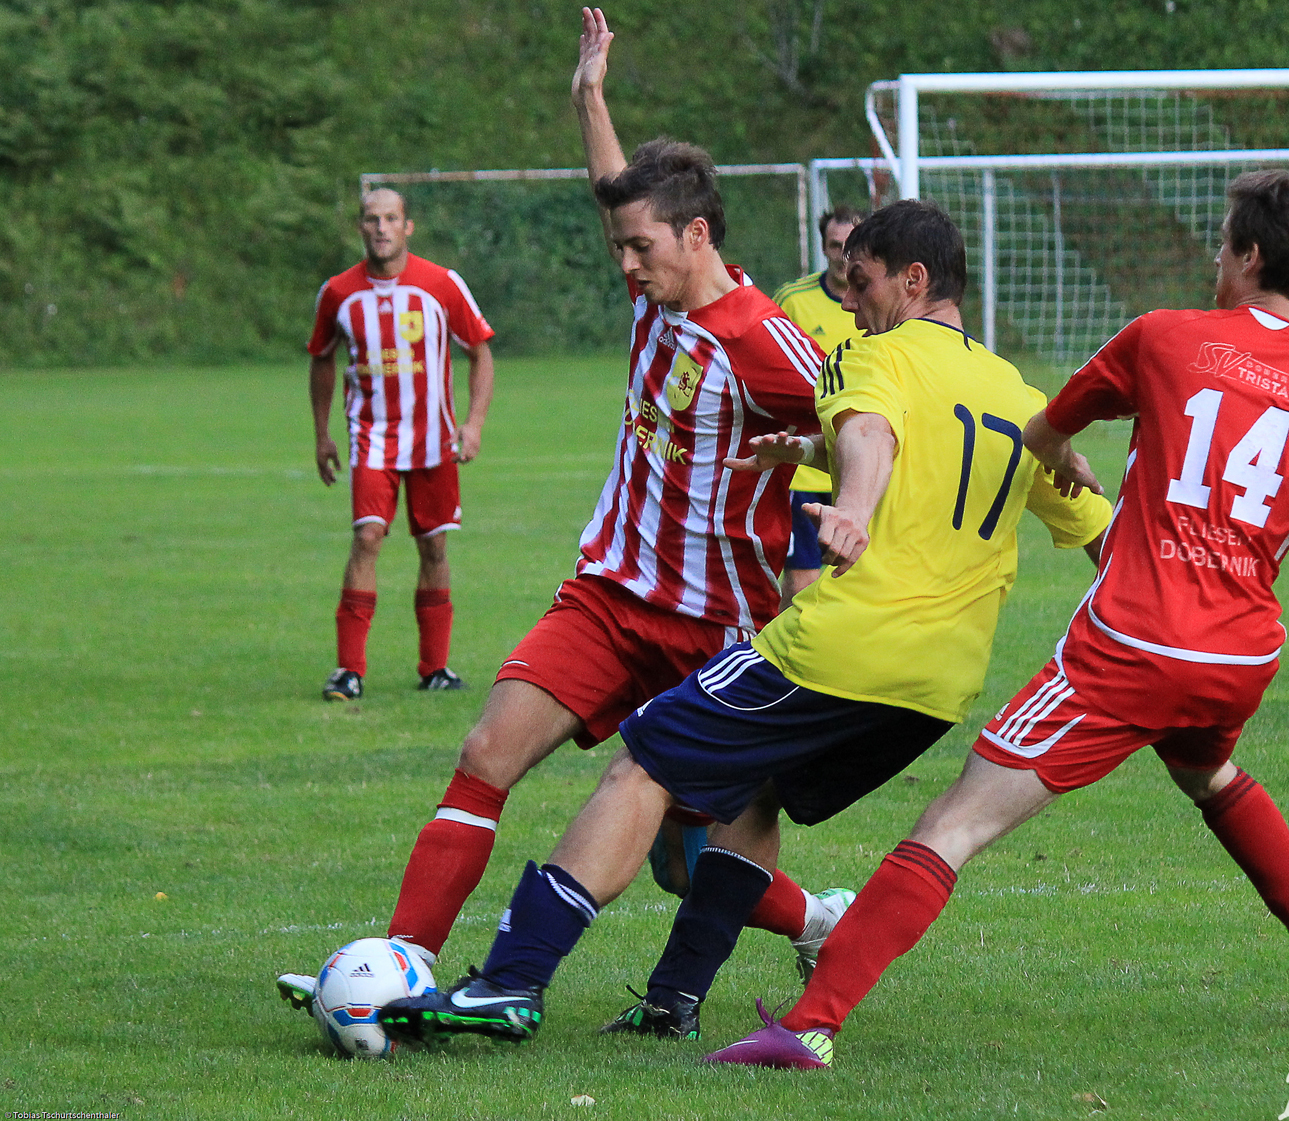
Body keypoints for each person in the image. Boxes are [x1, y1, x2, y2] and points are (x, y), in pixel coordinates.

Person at [705, 169, 1289, 1071]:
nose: (1214, 257)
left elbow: (1040, 433)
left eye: (1221, 243)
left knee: (952, 824)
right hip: (1241, 655)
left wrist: (1065, 453)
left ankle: (811, 1023)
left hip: (1133, 644)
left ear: (1247, 255)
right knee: (1207, 770)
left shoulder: (1163, 336)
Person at [373, 198, 1112, 1049]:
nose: (851, 302)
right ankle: (672, 1000)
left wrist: (854, 505)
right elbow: (1098, 526)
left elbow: (874, 433)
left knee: (643, 765)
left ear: (914, 280)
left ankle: (511, 980)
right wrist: (806, 453)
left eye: (863, 282)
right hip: (939, 688)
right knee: (754, 796)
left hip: (839, 649)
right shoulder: (1020, 396)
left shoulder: (873, 356)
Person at [276, 5, 844, 1016]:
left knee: (686, 861)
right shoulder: (654, 291)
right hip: (607, 593)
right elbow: (619, 193)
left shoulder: (766, 344)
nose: (624, 265)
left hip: (713, 628)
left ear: (697, 236)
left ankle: (817, 923)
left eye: (640, 248)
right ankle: (399, 968)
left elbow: (866, 424)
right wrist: (590, 97)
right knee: (485, 752)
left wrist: (838, 494)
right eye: (621, 247)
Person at [309, 188, 495, 700]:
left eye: (391, 218)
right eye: (372, 219)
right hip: (371, 439)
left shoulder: (441, 284)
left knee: (433, 546)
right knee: (368, 537)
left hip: (434, 440)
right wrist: (322, 434)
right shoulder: (338, 293)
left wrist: (474, 424)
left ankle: (435, 667)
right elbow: (321, 358)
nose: (381, 228)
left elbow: (480, 352)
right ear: (360, 227)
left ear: (407, 226)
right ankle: (349, 669)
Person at [772, 206, 866, 607]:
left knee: (856, 587)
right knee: (800, 587)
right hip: (803, 471)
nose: (842, 256)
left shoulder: (880, 302)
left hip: (859, 466)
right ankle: (774, 646)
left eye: (851, 246)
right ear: (823, 247)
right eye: (834, 245)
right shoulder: (794, 300)